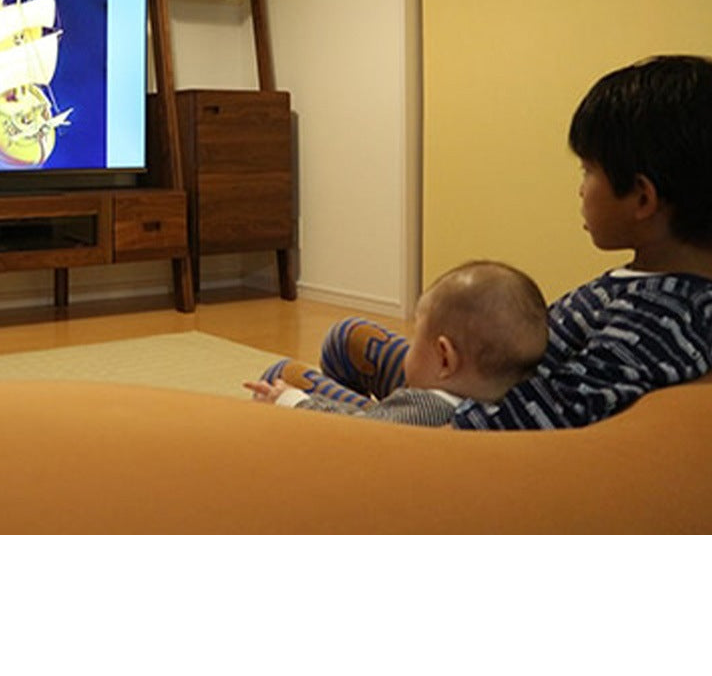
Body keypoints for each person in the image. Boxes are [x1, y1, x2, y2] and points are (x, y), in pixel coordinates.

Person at [254, 54, 712, 431]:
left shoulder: (660, 320)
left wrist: (323, 409)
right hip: (479, 377)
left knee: (282, 379)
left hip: (465, 418)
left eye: (588, 171)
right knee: (347, 338)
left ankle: (342, 446)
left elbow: (537, 426)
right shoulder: (654, 282)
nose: (580, 188)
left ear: (642, 198)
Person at [244, 260, 549, 425]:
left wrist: (293, 401)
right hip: (382, 420)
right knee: (345, 337)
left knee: (277, 377)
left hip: (358, 442)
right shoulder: (502, 402)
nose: (409, 345)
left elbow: (361, 433)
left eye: (416, 337)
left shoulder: (426, 409)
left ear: (445, 359)